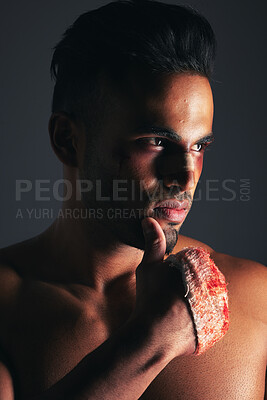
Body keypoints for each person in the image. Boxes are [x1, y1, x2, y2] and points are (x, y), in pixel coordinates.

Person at [0, 1, 266, 399]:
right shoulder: (7, 309)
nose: (186, 175)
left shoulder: (255, 298)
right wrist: (150, 342)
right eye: (156, 142)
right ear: (67, 141)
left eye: (200, 145)